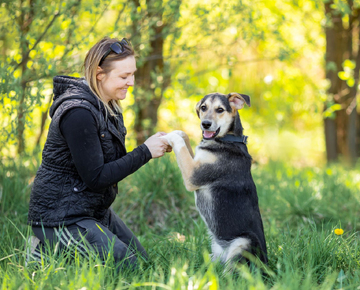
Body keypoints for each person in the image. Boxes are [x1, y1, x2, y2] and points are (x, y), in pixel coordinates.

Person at [27, 37, 171, 270]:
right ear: (98, 73)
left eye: (132, 74)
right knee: (128, 267)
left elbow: (110, 164)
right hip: (61, 218)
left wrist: (154, 145)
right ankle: (43, 249)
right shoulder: (78, 113)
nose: (131, 82)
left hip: (92, 212)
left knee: (144, 266)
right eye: (124, 77)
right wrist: (145, 152)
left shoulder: (109, 105)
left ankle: (60, 250)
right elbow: (96, 177)